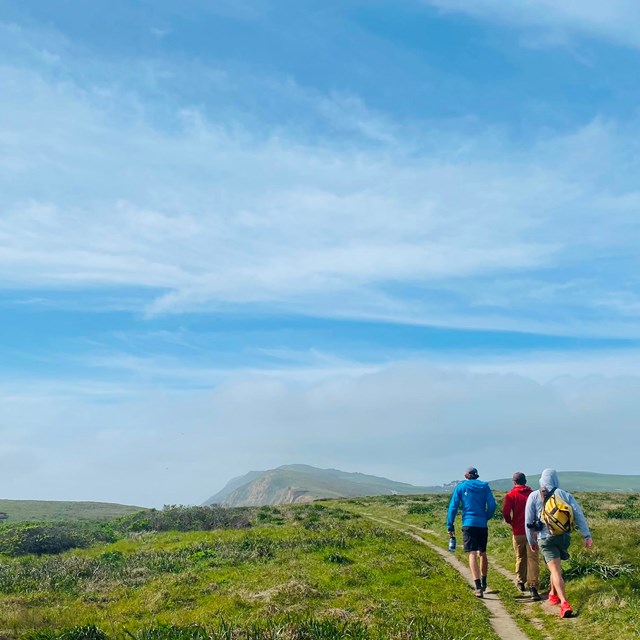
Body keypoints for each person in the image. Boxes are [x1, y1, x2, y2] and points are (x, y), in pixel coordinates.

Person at [525, 469, 593, 619]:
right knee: (556, 567)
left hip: (545, 538)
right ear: (555, 480)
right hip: (563, 537)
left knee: (555, 570)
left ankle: (564, 603)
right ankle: (552, 594)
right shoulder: (564, 494)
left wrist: (531, 541)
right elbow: (578, 514)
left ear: (541, 480)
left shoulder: (534, 495)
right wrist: (586, 535)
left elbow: (528, 522)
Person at [447, 466, 497, 597]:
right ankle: (484, 581)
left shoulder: (461, 487)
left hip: (468, 523)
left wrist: (450, 524)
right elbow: (492, 504)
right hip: (482, 524)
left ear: (466, 476)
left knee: (472, 554)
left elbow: (453, 506)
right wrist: (486, 516)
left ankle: (478, 586)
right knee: (483, 553)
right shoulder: (484, 487)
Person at [502, 472, 541, 600]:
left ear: (514, 482)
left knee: (520, 556)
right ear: (525, 481)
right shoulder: (534, 494)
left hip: (518, 531)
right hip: (533, 531)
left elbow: (506, 513)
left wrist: (511, 522)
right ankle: (533, 586)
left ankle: (520, 581)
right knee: (533, 559)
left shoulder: (510, 495)